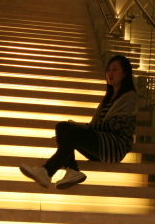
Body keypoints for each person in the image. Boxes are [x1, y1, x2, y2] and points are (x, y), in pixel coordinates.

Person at [20, 55, 139, 190]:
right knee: (62, 126)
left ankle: (47, 171)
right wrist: (71, 133)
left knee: (72, 130)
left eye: (115, 69)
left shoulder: (130, 97)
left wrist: (79, 127)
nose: (110, 73)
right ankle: (73, 171)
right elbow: (95, 126)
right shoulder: (108, 98)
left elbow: (113, 126)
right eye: (108, 70)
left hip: (114, 148)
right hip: (102, 144)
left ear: (125, 73)